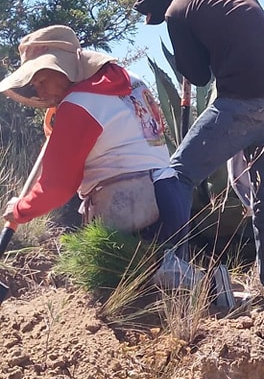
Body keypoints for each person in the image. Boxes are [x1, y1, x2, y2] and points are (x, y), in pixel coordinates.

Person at [134, 0, 264, 301]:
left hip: (244, 103)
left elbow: (197, 76)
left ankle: (173, 267)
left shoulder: (178, 10)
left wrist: (184, 45)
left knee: (177, 175)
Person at [0, 25, 185, 245]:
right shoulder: (130, 80)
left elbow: (58, 186)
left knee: (144, 278)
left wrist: (21, 209)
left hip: (131, 205)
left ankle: (212, 281)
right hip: (170, 194)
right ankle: (214, 280)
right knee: (170, 273)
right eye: (34, 85)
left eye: (42, 81)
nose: (40, 92)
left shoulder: (78, 104)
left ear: (64, 68)